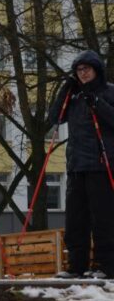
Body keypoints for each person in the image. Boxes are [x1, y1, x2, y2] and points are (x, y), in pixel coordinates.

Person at [48, 49, 114, 279]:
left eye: (86, 69)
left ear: (97, 70)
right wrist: (64, 91)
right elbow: (54, 117)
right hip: (76, 166)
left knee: (103, 218)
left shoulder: (109, 91)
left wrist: (97, 103)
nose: (83, 73)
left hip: (101, 164)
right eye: (79, 70)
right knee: (75, 219)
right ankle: (77, 266)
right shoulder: (73, 96)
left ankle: (107, 266)